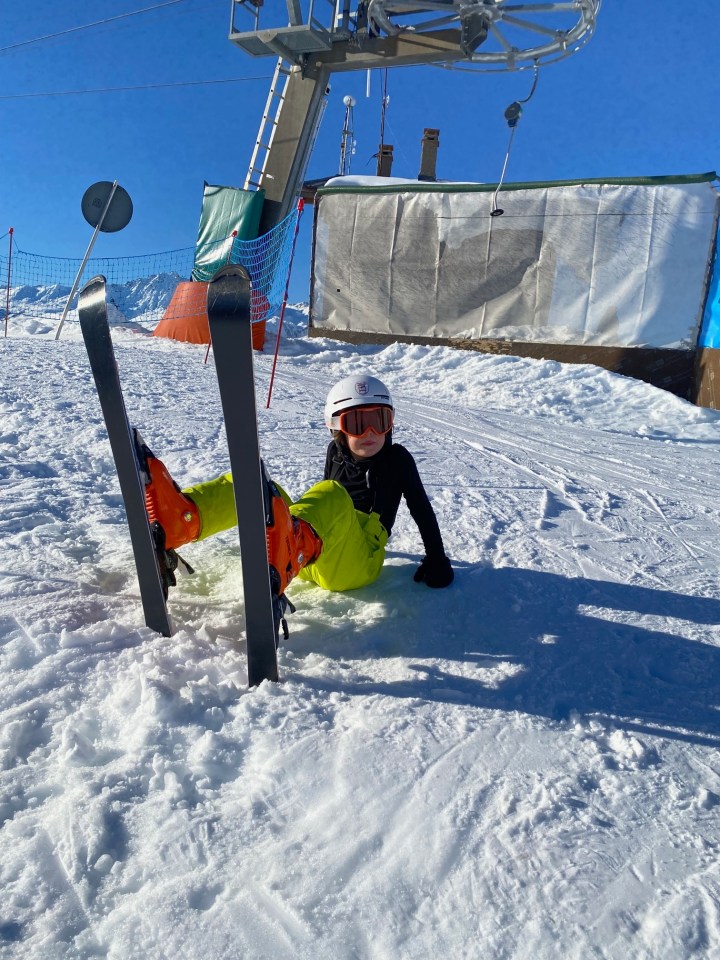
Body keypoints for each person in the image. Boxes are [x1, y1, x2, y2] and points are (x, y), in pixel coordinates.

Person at [143, 373, 453, 615]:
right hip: (302, 556)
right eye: (358, 423)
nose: (371, 433)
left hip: (358, 563)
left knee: (330, 493)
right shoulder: (335, 451)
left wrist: (437, 559)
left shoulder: (397, 459)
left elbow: (420, 507)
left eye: (380, 421)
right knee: (256, 485)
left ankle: (289, 546)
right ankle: (180, 520)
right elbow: (324, 507)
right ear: (337, 428)